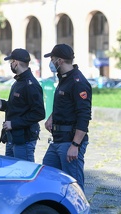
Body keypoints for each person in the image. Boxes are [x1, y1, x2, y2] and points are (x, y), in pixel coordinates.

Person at [42, 44, 92, 191]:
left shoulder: (78, 82)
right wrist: (51, 117)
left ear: (60, 60)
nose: (51, 63)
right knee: (46, 176)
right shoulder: (64, 79)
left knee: (73, 186)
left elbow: (84, 115)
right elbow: (64, 104)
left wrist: (75, 145)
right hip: (58, 139)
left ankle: (79, 212)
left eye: (52, 59)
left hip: (69, 141)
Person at [0, 48, 45, 162]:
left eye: (11, 62)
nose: (10, 65)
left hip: (24, 139)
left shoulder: (31, 84)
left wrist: (13, 124)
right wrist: (2, 105)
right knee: (11, 173)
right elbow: (19, 106)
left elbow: (39, 113)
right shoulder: (18, 82)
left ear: (16, 62)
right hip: (12, 137)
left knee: (23, 175)